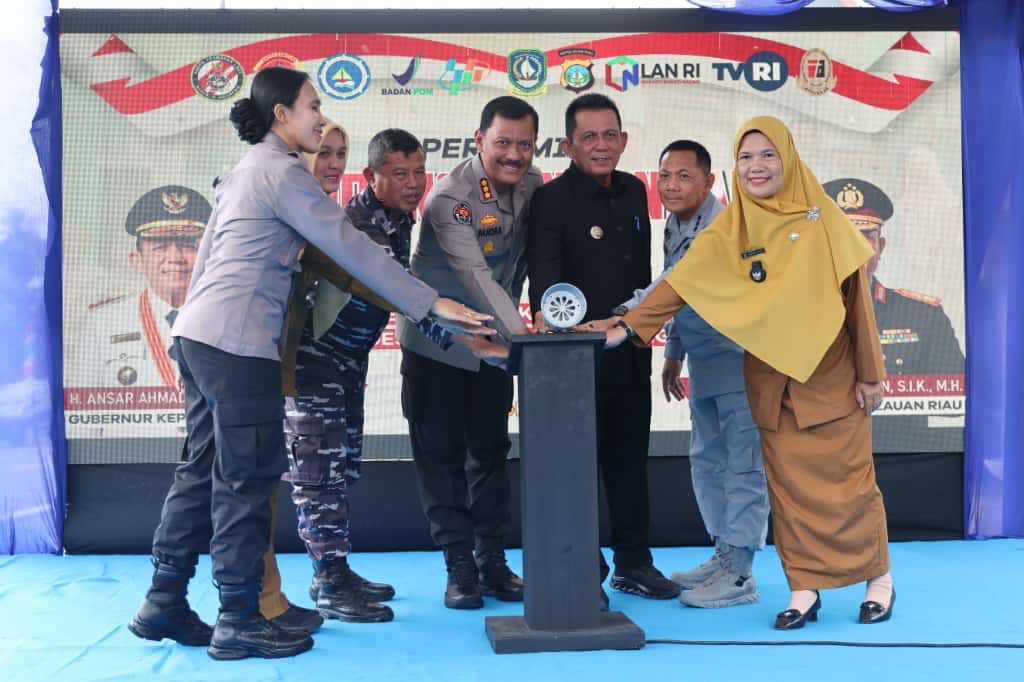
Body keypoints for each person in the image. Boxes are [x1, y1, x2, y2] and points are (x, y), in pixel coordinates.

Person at [127, 66, 492, 660]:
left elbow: (212, 255)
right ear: (281, 115)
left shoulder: (245, 170)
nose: (320, 118)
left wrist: (191, 330)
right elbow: (351, 250)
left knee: (200, 471)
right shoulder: (283, 173)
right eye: (312, 106)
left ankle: (163, 601)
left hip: (199, 337)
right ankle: (239, 617)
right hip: (238, 345)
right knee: (245, 481)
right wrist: (433, 304)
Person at [603, 116, 895, 629]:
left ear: (788, 158)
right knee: (788, 491)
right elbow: (680, 283)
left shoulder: (823, 219)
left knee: (849, 484)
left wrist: (871, 372)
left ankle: (879, 580)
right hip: (770, 380)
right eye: (745, 157)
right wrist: (627, 329)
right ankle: (804, 588)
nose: (756, 166)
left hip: (832, 376)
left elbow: (857, 304)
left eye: (767, 155)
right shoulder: (733, 226)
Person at [527, 93, 679, 602]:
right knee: (576, 468)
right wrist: (571, 329)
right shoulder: (550, 200)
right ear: (568, 145)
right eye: (588, 137)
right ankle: (581, 572)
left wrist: (632, 328)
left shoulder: (637, 191)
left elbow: (646, 282)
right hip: (572, 360)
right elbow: (545, 290)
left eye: (609, 135)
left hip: (631, 351)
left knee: (629, 462)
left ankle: (634, 563)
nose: (601, 145)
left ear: (624, 139)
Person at [397, 96, 542, 610]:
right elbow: (477, 280)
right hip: (438, 346)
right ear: (479, 140)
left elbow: (526, 262)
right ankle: (459, 566)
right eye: (503, 142)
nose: (514, 155)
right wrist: (526, 343)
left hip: (493, 347)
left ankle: (492, 560)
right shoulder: (449, 200)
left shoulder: (535, 183)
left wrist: (526, 332)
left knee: (490, 453)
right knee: (441, 459)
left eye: (524, 144)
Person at [614, 140, 769, 608]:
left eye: (685, 176)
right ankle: (724, 553)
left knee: (742, 464)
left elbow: (671, 285)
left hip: (740, 359)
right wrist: (674, 354)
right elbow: (681, 291)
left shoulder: (722, 226)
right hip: (703, 360)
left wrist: (622, 318)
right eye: (665, 176)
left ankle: (740, 573)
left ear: (708, 181)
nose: (672, 185)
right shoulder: (677, 222)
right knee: (707, 460)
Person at [69, 185, 210, 388]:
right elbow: (81, 402)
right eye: (160, 247)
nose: (175, 258)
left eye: (188, 246)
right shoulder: (102, 321)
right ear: (137, 261)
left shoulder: (233, 318)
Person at [822, 177, 964, 375]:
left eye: (865, 237)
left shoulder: (923, 316)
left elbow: (954, 395)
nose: (853, 248)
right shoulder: (793, 318)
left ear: (881, 246)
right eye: (841, 237)